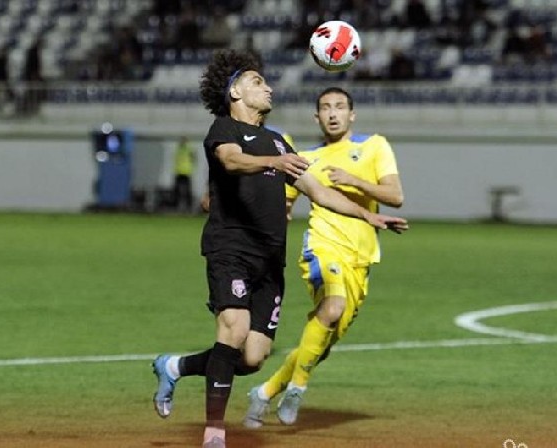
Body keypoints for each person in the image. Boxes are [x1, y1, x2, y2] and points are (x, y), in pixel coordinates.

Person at [151, 50, 408, 448]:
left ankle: (174, 366)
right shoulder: (224, 129)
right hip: (231, 249)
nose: (268, 88)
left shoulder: (276, 141)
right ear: (235, 91)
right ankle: (214, 433)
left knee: (252, 357)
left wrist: (368, 216)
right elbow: (232, 161)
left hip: (270, 260)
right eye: (257, 82)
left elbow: (319, 192)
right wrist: (275, 161)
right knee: (233, 329)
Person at [243, 86, 405, 428]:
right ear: (316, 117)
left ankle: (264, 392)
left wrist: (353, 180)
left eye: (340, 106)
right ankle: (297, 389)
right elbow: (284, 206)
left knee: (322, 344)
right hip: (322, 246)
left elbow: (395, 195)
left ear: (352, 114)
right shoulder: (305, 159)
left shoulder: (374, 146)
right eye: (326, 108)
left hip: (360, 258)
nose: (333, 113)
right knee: (332, 308)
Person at [173, 136, 196, 212]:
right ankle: (178, 205)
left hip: (186, 172)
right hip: (179, 171)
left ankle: (189, 206)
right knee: (177, 191)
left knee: (187, 191)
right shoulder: (179, 149)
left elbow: (193, 159)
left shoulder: (188, 149)